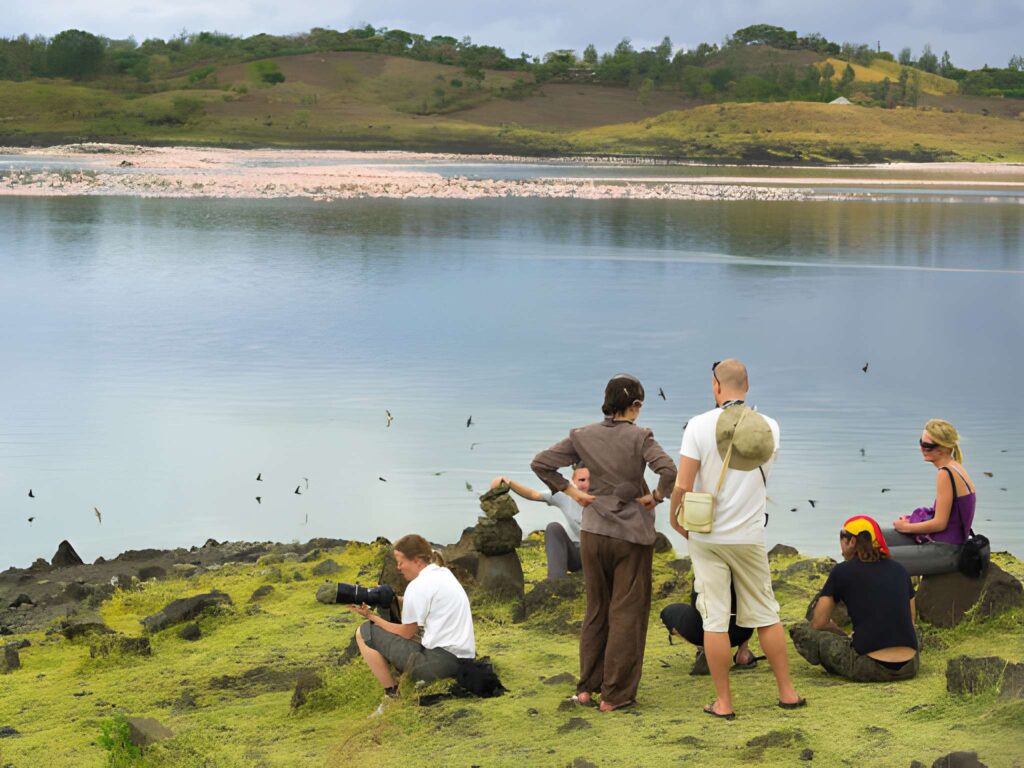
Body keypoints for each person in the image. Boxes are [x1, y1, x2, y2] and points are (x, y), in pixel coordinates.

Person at [532, 373, 677, 712]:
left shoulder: (582, 436)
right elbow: (668, 470)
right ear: (635, 405)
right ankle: (615, 695)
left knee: (596, 610)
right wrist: (656, 496)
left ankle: (586, 688)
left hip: (593, 533)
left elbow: (541, 463)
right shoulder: (641, 437)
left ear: (607, 403)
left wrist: (573, 493)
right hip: (631, 537)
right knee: (627, 613)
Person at [670, 359, 803, 720]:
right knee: (765, 613)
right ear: (747, 384)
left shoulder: (698, 425)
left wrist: (675, 519)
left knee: (714, 617)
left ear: (716, 386)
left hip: (707, 534)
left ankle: (724, 703)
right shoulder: (770, 427)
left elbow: (683, 484)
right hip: (749, 534)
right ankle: (787, 693)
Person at [351, 534, 476, 712]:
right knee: (404, 635)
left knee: (364, 632)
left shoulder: (417, 586)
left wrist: (371, 617)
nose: (398, 567)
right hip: (464, 658)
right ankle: (403, 683)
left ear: (417, 561)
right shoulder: (443, 573)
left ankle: (392, 696)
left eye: (401, 561)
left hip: (441, 664)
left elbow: (407, 632)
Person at [790, 515, 919, 682]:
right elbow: (911, 620)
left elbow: (819, 622)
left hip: (869, 666)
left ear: (851, 542)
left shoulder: (841, 571)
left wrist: (842, 634)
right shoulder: (900, 569)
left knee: (803, 631)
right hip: (910, 665)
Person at [884, 419, 977, 576]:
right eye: (921, 443)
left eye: (928, 446)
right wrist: (911, 519)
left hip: (946, 550)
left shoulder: (945, 473)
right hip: (938, 541)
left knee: (878, 558)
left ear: (944, 447)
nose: (922, 449)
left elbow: (940, 524)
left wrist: (905, 527)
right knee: (866, 535)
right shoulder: (955, 467)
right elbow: (948, 515)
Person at [490, 466, 590, 580]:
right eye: (582, 480)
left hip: (601, 554)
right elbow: (534, 494)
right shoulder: (565, 496)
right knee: (553, 528)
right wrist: (509, 483)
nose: (587, 484)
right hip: (578, 554)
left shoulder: (606, 498)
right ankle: (555, 583)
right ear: (573, 481)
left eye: (592, 480)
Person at [660, 584, 760, 675]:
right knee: (745, 599)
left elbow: (696, 603)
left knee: (669, 611)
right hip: (742, 632)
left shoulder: (705, 565)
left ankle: (705, 649)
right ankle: (743, 651)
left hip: (707, 631)